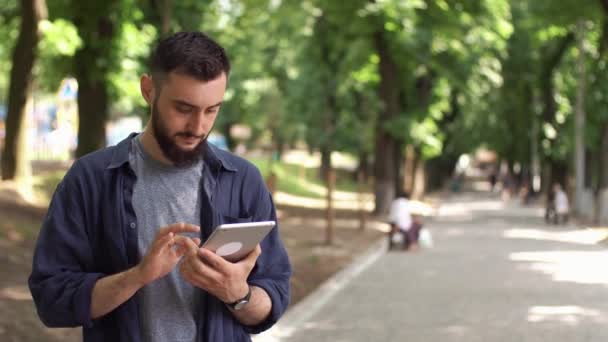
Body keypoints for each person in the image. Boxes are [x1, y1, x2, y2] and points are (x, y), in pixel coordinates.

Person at [28, 32, 291, 342]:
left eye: (212, 110)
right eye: (183, 109)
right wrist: (137, 276)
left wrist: (238, 294)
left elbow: (272, 298)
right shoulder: (90, 179)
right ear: (148, 90)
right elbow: (51, 299)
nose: (199, 127)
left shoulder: (244, 180)